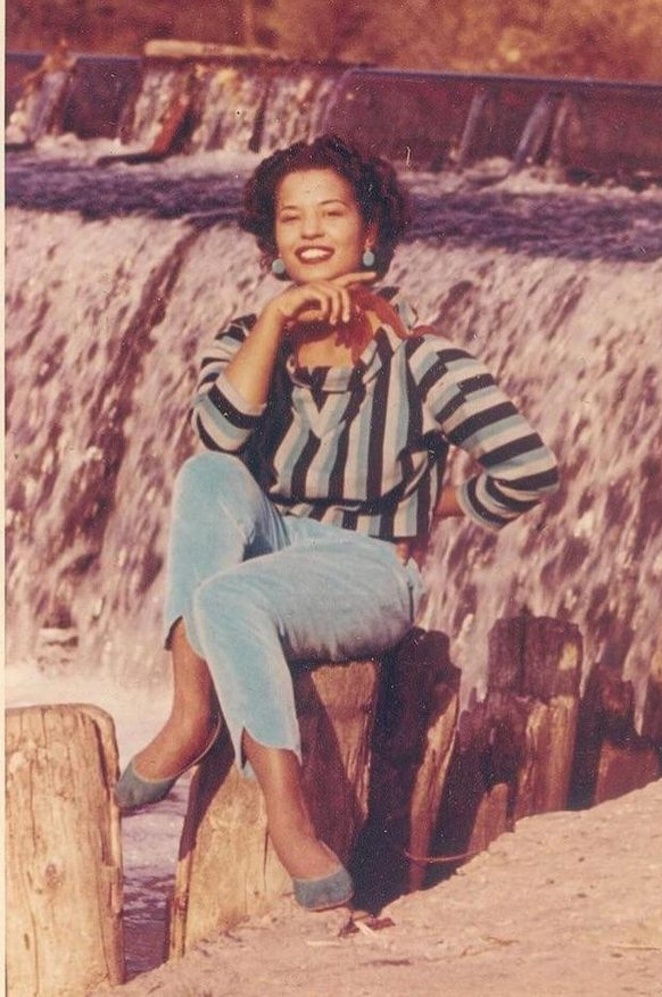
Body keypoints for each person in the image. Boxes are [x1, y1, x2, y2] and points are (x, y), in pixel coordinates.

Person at [115, 134, 559, 911]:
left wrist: (427, 508)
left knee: (226, 598)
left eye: (332, 212)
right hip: (274, 541)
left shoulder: (425, 360)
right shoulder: (246, 342)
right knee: (206, 475)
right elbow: (218, 434)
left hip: (367, 568)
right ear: (271, 240)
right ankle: (191, 714)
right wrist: (274, 321)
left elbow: (528, 469)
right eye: (291, 217)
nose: (311, 231)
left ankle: (289, 815)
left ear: (371, 229)